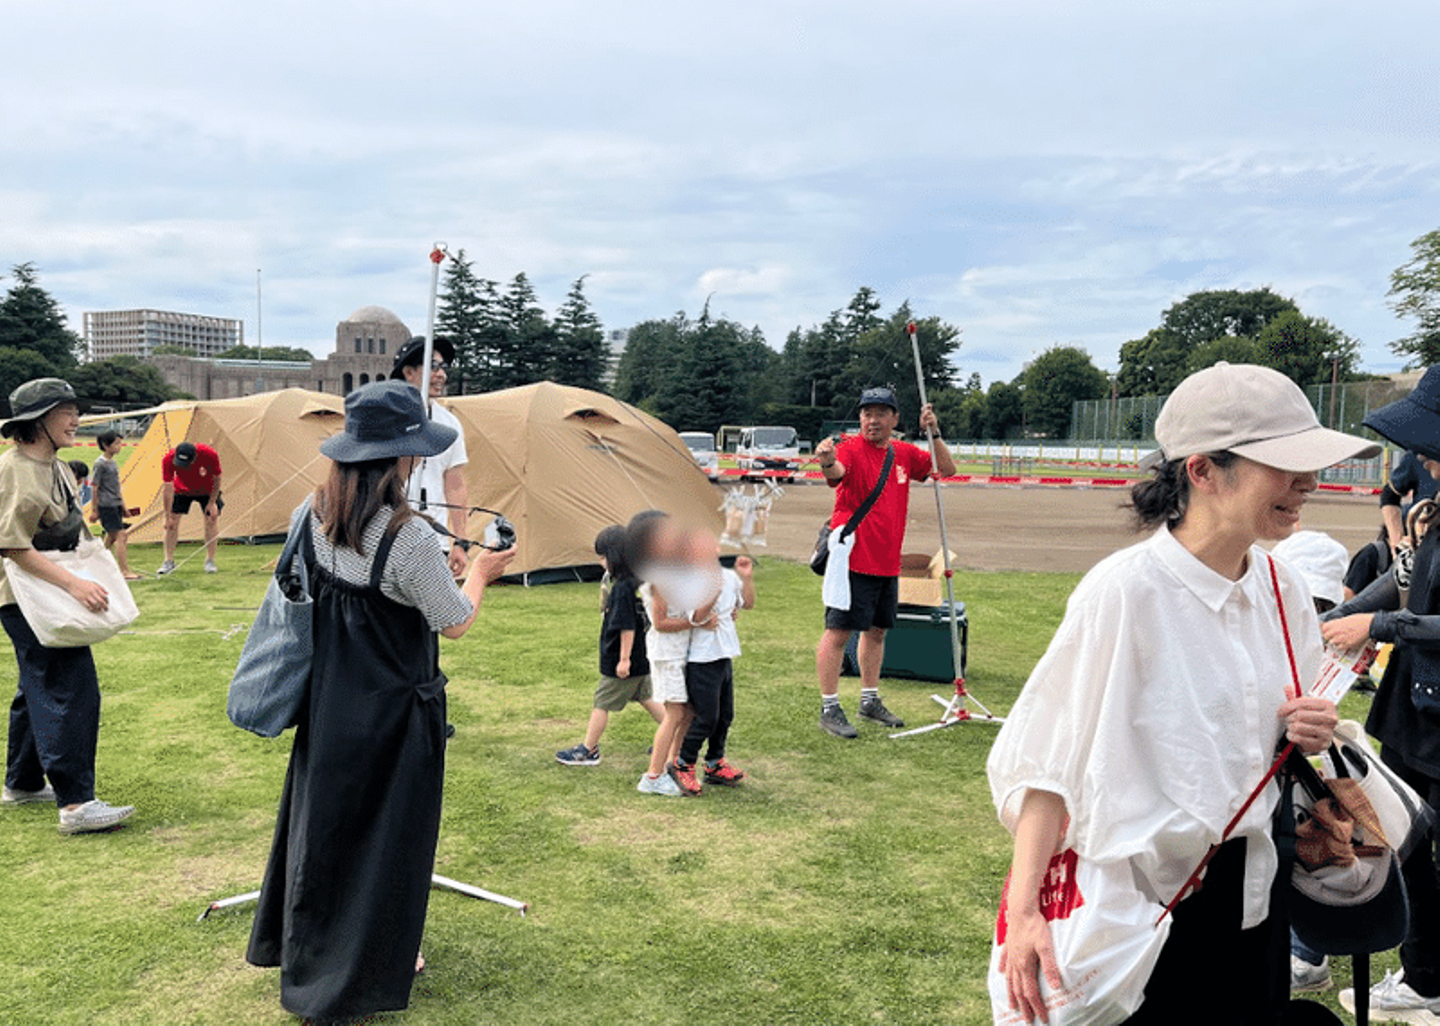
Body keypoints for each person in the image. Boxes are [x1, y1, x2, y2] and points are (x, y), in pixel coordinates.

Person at [989, 362, 1377, 1024]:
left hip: (1256, 891)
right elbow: (1047, 764)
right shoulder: (1125, 593)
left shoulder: (1283, 590)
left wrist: (1308, 729)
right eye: (1284, 464)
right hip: (1142, 905)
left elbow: (1263, 739)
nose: (1308, 482)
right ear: (1202, 471)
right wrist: (1024, 912)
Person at [246, 379, 514, 1021]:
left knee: (324, 827)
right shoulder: (409, 537)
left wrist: (440, 579)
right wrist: (481, 573)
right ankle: (363, 966)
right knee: (389, 839)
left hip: (329, 700)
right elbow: (454, 621)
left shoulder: (313, 511)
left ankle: (308, 945)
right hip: (393, 711)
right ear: (403, 455)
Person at [1317, 366, 1440, 1021]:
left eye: (1430, 445)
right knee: (1402, 843)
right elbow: (1404, 577)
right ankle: (1423, 977)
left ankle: (1426, 981)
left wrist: (1379, 627)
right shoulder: (1431, 507)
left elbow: (1403, 612)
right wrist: (1339, 619)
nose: (1421, 459)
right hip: (1409, 712)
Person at [0, 378, 135, 835]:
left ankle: (21, 782)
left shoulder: (55, 466)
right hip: (23, 597)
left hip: (40, 591)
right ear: (38, 420)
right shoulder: (17, 471)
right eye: (66, 410)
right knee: (70, 690)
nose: (76, 419)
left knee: (36, 684)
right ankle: (76, 804)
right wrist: (76, 585)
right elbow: (12, 546)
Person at [813, 386, 956, 738]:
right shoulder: (849, 449)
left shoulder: (903, 453)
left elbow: (947, 469)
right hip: (853, 558)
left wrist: (934, 431)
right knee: (838, 632)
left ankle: (869, 699)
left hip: (888, 561)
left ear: (895, 419)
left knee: (877, 632)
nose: (872, 420)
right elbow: (835, 472)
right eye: (866, 413)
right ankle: (829, 707)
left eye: (880, 413)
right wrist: (827, 459)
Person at [1269, 528, 1351, 994]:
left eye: (1321, 603)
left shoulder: (1329, 640)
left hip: (1298, 775)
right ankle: (1303, 953)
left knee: (1303, 857)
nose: (1311, 610)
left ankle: (1305, 955)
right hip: (1269, 777)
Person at [555, 525, 664, 767]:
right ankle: (676, 737)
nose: (601, 562)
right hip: (642, 656)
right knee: (646, 697)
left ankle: (588, 750)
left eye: (603, 556)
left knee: (602, 702)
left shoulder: (623, 588)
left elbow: (627, 626)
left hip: (623, 659)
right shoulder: (637, 581)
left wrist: (623, 660)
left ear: (614, 556)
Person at [669, 550, 755, 796]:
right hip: (701, 659)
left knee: (725, 715)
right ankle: (683, 763)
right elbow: (696, 616)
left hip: (723, 655)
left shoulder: (728, 576)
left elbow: (747, 603)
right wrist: (714, 591)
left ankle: (715, 763)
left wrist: (747, 578)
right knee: (706, 717)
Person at [393, 335, 470, 578]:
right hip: (388, 539)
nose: (442, 375)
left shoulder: (450, 424)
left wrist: (460, 541)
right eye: (433, 367)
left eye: (443, 367)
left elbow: (455, 485)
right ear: (408, 372)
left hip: (434, 542)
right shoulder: (386, 418)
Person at [157, 440, 222, 575]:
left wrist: (212, 502)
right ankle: (168, 561)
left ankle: (210, 561)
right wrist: (167, 516)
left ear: (195, 458)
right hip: (181, 489)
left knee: (211, 519)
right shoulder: (168, 459)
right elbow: (168, 488)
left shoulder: (209, 454)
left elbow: (217, 478)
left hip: (207, 490)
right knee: (171, 524)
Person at [88, 430, 141, 580]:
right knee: (121, 535)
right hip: (106, 505)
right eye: (116, 443)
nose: (120, 446)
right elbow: (95, 487)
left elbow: (116, 487)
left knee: (112, 537)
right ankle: (124, 571)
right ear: (106, 445)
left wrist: (123, 506)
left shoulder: (112, 463)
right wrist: (94, 510)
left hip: (115, 503)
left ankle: (97, 562)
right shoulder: (100, 464)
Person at [1381, 449, 1439, 551]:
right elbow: (1389, 495)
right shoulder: (1418, 454)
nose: (1422, 459)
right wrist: (1396, 540)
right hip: (1424, 547)